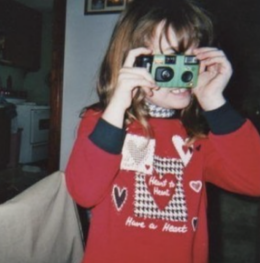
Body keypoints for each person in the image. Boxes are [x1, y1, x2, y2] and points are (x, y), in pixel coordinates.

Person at [65, 0, 260, 262]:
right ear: (134, 62)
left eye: (192, 59)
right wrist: (117, 107)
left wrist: (214, 101)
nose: (184, 73)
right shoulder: (102, 122)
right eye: (170, 60)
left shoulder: (197, 137)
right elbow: (84, 193)